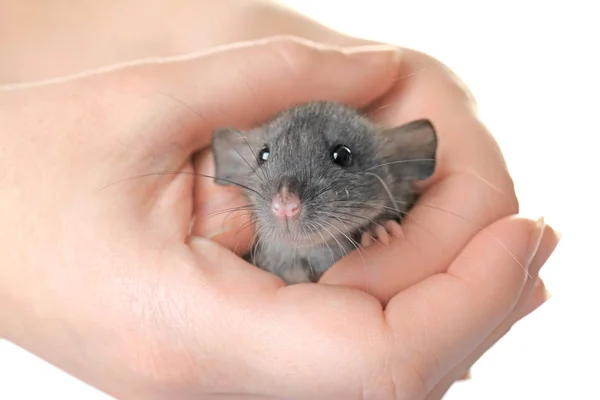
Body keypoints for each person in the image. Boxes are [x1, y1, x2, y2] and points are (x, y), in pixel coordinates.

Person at [0, 1, 560, 399]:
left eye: (340, 158)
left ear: (406, 163)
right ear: (238, 164)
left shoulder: (397, 186)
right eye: (265, 162)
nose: (287, 200)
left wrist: (205, 26)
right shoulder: (231, 211)